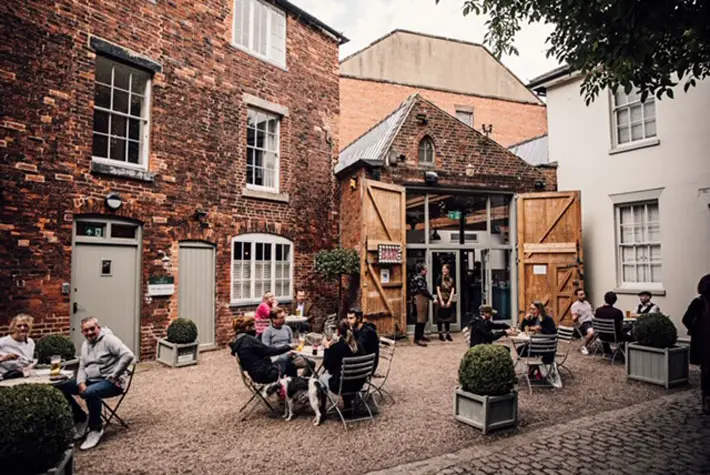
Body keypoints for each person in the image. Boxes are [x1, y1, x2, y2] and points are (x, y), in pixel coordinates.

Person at [55, 317, 134, 451]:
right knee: (60, 385)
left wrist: (114, 375)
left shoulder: (109, 339)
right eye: (86, 330)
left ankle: (96, 428)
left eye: (92, 329)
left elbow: (128, 355)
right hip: (91, 380)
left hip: (112, 382)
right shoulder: (85, 344)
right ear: (82, 332)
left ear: (99, 328)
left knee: (90, 392)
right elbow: (82, 366)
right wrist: (80, 382)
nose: (90, 332)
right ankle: (81, 418)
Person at [230, 315, 299, 384]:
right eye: (253, 326)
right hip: (267, 374)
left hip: (255, 374)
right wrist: (289, 346)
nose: (255, 329)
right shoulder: (249, 340)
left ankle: (288, 386)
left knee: (283, 360)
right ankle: (294, 387)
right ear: (247, 328)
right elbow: (270, 351)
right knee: (290, 363)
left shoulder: (238, 341)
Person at [320, 319, 364, 415]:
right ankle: (348, 404)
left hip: (341, 386)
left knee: (320, 378)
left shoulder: (336, 348)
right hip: (358, 384)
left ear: (338, 332)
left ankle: (322, 410)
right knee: (343, 374)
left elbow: (327, 366)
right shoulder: (359, 345)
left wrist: (327, 347)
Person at [682, 274, 710, 414]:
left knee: (706, 371)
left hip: (703, 341)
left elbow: (686, 319)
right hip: (705, 341)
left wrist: (694, 329)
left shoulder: (698, 302)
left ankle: (707, 399)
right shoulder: (700, 303)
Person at [0, 313, 36, 379]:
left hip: (23, 378)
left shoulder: (30, 342)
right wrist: (4, 358)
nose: (22, 328)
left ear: (30, 327)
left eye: (25, 325)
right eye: (19, 326)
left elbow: (29, 363)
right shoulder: (2, 342)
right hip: (4, 380)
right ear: (13, 327)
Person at [411, 262, 435, 347]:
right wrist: (432, 298)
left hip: (421, 299)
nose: (427, 270)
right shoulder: (419, 278)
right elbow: (423, 290)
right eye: (425, 268)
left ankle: (421, 336)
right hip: (419, 299)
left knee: (423, 319)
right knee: (420, 320)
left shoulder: (418, 277)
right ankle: (417, 339)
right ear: (421, 270)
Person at [436, 263, 456, 342]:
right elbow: (438, 289)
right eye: (442, 269)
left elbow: (453, 290)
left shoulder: (451, 279)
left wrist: (450, 300)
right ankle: (440, 334)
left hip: (448, 299)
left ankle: (448, 333)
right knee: (440, 317)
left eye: (445, 269)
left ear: (448, 270)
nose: (443, 270)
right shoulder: (439, 278)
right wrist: (441, 300)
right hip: (441, 299)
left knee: (447, 317)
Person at [571, 288, 595, 354]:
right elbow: (574, 319)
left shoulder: (587, 303)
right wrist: (577, 315)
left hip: (593, 321)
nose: (583, 296)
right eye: (581, 295)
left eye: (583, 294)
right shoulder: (575, 306)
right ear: (577, 296)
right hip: (585, 323)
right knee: (591, 333)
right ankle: (584, 346)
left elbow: (590, 313)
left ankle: (606, 350)